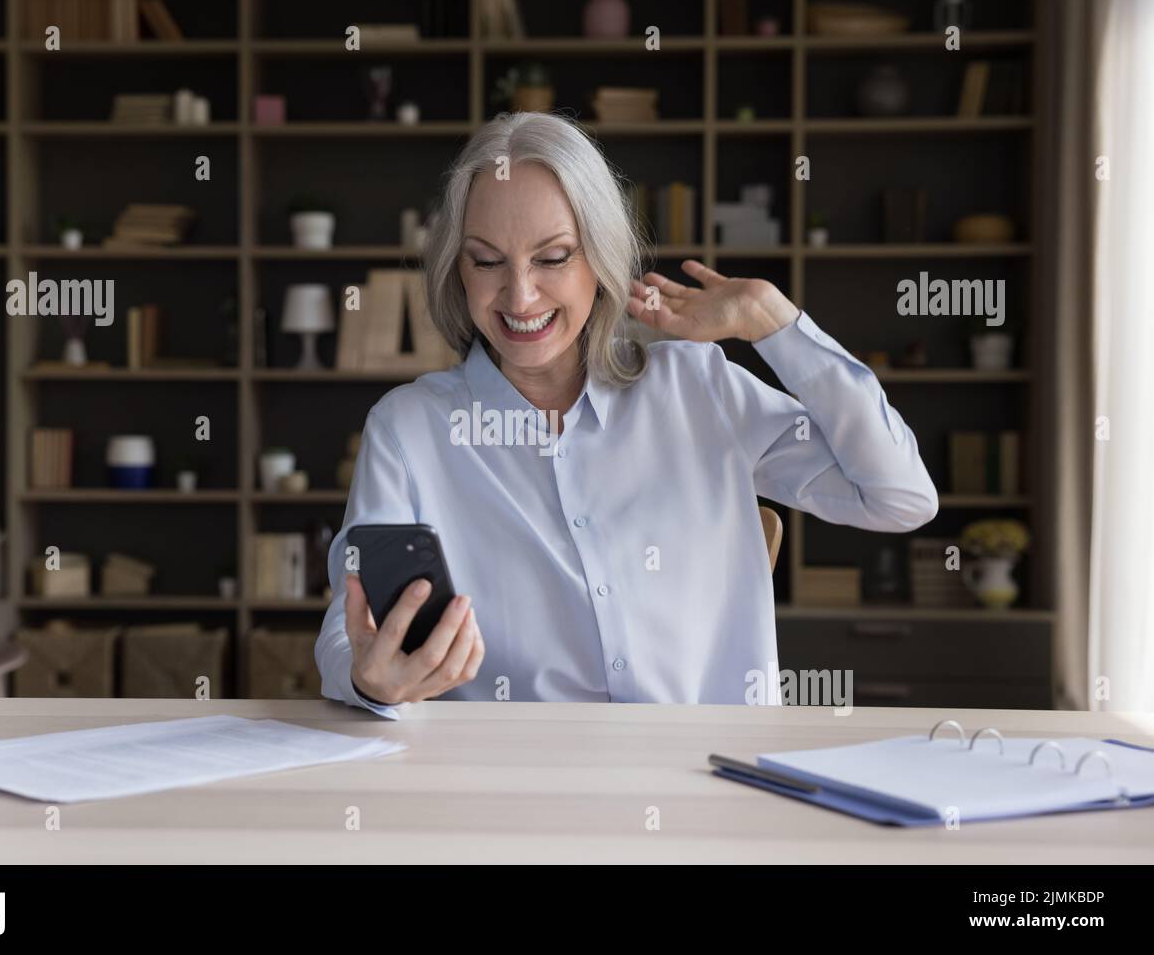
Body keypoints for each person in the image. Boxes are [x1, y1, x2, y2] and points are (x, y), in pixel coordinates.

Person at [315, 111, 938, 718]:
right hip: (510, 797)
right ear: (458, 269)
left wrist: (773, 320)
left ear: (601, 260)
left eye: (553, 257)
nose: (520, 294)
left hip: (708, 787)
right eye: (487, 260)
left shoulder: (697, 388)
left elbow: (898, 496)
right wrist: (372, 680)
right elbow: (347, 636)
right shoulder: (408, 429)